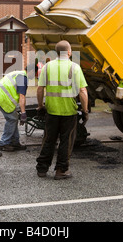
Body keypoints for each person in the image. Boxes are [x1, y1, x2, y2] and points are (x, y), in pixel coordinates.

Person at [35, 40, 89, 180]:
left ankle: (42, 168)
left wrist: (40, 106)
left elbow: (40, 88)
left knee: (48, 139)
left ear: (57, 52)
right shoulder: (74, 68)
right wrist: (85, 110)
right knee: (66, 141)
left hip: (51, 111)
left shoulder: (47, 67)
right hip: (69, 112)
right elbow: (82, 91)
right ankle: (61, 170)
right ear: (69, 52)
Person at [0, 64, 36, 151]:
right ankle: (4, 143)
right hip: (3, 97)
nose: (35, 76)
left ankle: (15, 142)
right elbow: (22, 96)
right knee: (12, 119)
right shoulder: (23, 78)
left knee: (13, 118)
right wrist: (23, 113)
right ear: (32, 71)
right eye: (35, 74)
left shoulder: (19, 73)